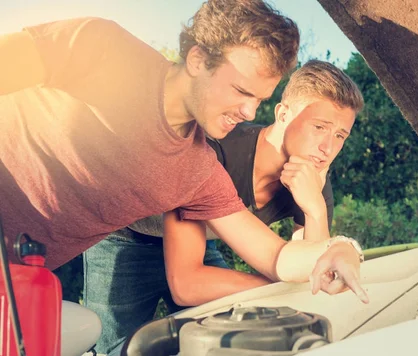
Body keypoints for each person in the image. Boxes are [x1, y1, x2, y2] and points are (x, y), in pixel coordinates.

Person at [0, 0, 367, 329]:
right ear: (196, 60)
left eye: (259, 99)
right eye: (241, 91)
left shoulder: (198, 172)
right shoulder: (102, 49)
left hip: (15, 278)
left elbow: (277, 256)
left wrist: (341, 248)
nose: (250, 112)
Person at [84, 60, 364, 353]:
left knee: (232, 342)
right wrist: (277, 289)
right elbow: (186, 284)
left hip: (200, 243)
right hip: (128, 238)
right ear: (283, 114)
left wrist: (314, 210)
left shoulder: (313, 175)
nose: (328, 148)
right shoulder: (217, 147)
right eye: (320, 127)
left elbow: (313, 276)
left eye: (340, 136)